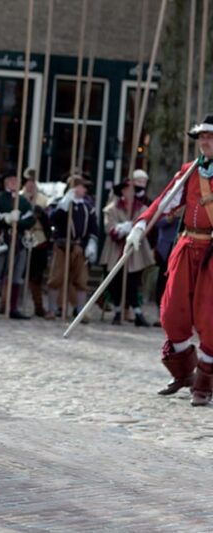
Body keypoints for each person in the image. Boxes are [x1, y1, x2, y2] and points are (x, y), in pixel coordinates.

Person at [127, 115, 213, 405]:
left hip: (212, 254)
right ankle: (184, 374)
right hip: (187, 246)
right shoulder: (189, 172)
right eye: (201, 137)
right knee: (171, 311)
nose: (204, 142)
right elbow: (164, 202)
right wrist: (140, 226)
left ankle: (204, 383)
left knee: (209, 317)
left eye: (210, 137)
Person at [99, 178, 154, 326]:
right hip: (115, 251)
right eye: (127, 189)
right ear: (122, 191)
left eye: (132, 190)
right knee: (115, 282)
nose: (130, 192)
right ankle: (117, 311)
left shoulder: (142, 209)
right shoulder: (111, 209)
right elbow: (109, 229)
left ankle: (137, 312)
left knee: (132, 283)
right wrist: (122, 228)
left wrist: (136, 229)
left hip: (134, 253)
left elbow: (147, 227)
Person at [45, 173, 99, 320]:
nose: (85, 190)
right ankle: (52, 310)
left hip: (80, 247)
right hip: (62, 245)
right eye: (82, 187)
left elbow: (93, 227)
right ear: (74, 188)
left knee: (81, 281)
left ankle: (80, 311)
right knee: (56, 278)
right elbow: (52, 219)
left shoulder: (87, 206)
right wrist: (64, 204)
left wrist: (91, 244)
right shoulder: (60, 203)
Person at [0, 168, 35, 319]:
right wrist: (5, 219)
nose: (14, 183)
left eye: (17, 180)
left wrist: (18, 221)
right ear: (5, 182)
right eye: (11, 180)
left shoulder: (24, 201)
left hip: (19, 242)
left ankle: (13, 308)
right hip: (1, 240)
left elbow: (30, 219)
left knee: (17, 275)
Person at [21, 168, 51, 317]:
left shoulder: (42, 200)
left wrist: (41, 214)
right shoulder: (19, 197)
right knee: (17, 273)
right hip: (21, 238)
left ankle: (38, 306)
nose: (30, 185)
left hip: (38, 239)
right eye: (28, 182)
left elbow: (48, 222)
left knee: (36, 276)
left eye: (33, 182)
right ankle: (11, 304)